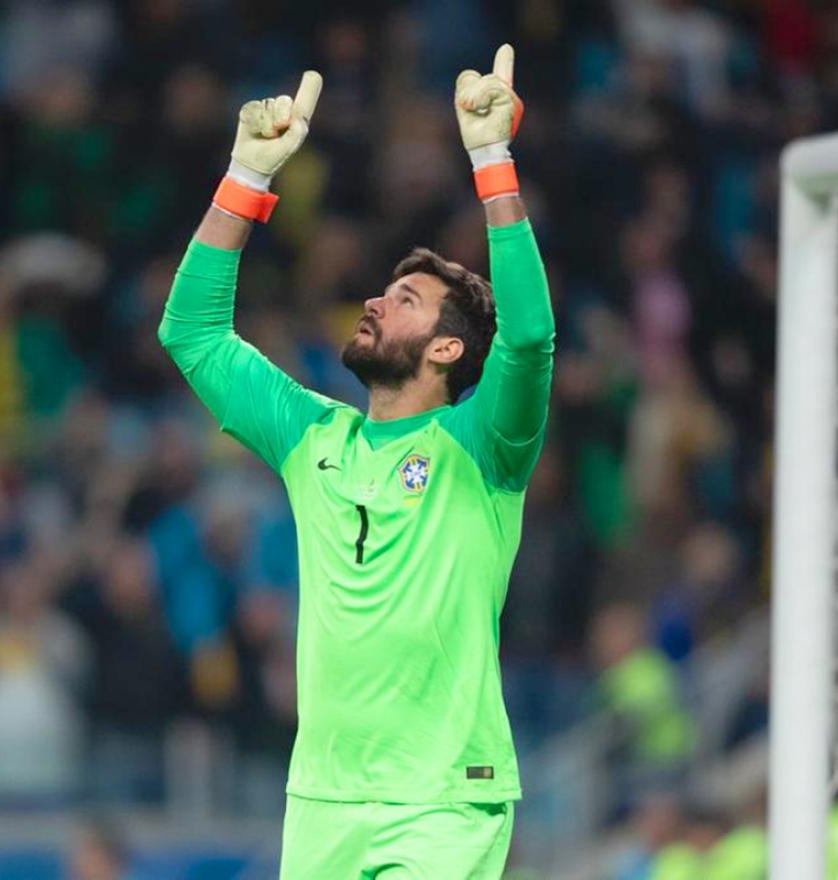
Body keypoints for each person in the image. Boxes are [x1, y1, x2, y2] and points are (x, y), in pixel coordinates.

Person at [157, 44, 554, 879]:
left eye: (403, 300)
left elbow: (527, 337)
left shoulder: (485, 448)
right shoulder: (313, 438)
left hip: (444, 798)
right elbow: (190, 332)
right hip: (322, 803)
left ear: (447, 348)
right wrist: (246, 176)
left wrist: (491, 160)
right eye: (383, 290)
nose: (374, 299)